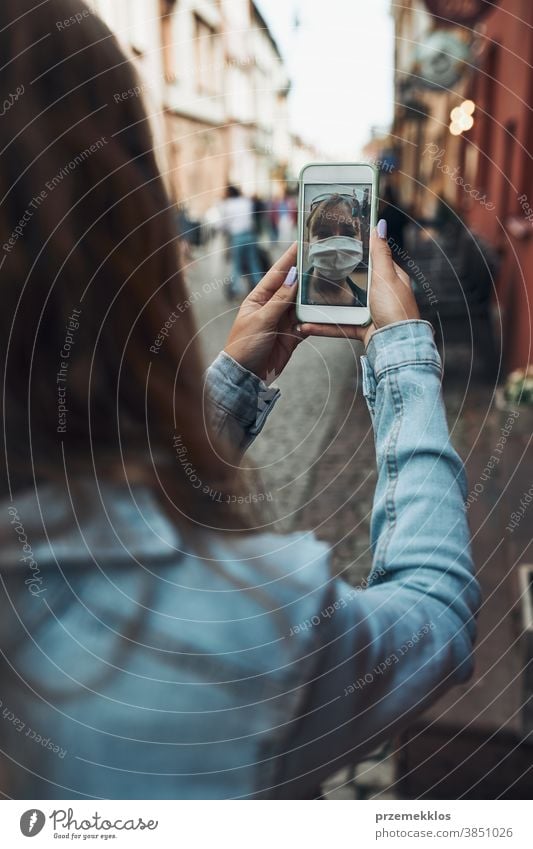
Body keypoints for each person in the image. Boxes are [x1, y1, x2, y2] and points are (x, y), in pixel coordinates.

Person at [0, 0, 480, 800]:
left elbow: (92, 516)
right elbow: (433, 618)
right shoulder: (235, 627)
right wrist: (401, 359)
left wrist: (232, 379)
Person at [301, 193, 368, 307]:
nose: (336, 245)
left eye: (348, 233)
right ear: (308, 240)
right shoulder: (291, 297)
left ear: (361, 240)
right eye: (324, 233)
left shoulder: (368, 303)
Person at [220, 185, 263, 298]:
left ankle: (235, 290)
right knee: (253, 263)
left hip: (237, 237)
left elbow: (224, 224)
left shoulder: (228, 204)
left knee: (236, 265)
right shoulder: (246, 201)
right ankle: (260, 288)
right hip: (250, 235)